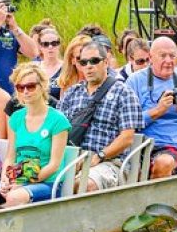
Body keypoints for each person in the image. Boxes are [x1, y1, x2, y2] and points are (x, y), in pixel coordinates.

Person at [0, 63, 71, 212]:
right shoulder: (16, 118)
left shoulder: (57, 120)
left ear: (42, 86)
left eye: (30, 86)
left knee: (14, 197)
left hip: (47, 181)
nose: (25, 91)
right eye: (20, 87)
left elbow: (54, 165)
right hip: (19, 175)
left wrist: (21, 183)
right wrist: (5, 179)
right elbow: (11, 157)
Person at [58, 42, 143, 192]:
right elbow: (57, 131)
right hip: (72, 158)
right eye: (83, 62)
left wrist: (100, 156)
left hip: (109, 161)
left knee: (85, 184)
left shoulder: (123, 92)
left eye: (94, 61)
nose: (89, 66)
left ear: (106, 62)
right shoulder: (72, 93)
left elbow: (127, 137)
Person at [125, 37, 177, 179]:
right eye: (163, 56)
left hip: (171, 144)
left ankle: (155, 200)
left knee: (164, 163)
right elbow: (126, 121)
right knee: (134, 168)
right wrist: (157, 111)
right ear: (151, 58)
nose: (168, 61)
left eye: (172, 56)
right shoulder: (135, 81)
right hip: (138, 143)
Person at [56, 34, 91, 98]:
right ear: (72, 60)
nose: (84, 61)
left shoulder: (103, 81)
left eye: (88, 57)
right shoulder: (67, 84)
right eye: (79, 58)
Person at [36, 27, 63, 100]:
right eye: (45, 44)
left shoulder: (67, 68)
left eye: (54, 43)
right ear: (40, 47)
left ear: (59, 45)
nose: (50, 47)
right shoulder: (34, 68)